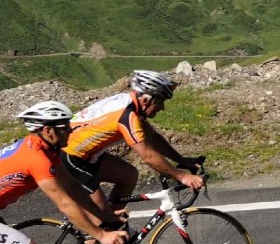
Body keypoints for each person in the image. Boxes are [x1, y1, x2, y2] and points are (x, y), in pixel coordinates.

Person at [0, 100, 127, 244]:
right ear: (48, 131)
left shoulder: (47, 150)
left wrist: (103, 215)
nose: (70, 131)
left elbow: (72, 187)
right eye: (64, 128)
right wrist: (101, 236)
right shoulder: (36, 158)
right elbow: (64, 203)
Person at [62, 70, 204, 216]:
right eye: (161, 101)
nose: (162, 107)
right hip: (70, 157)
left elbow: (152, 138)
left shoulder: (129, 103)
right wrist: (182, 177)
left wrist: (181, 160)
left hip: (84, 154)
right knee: (102, 215)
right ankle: (103, 233)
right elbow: (147, 155)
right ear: (146, 100)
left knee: (128, 175)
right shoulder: (126, 115)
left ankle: (116, 226)